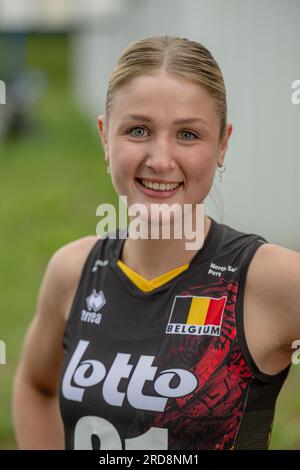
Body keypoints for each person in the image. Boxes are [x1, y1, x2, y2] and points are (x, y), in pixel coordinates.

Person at [13, 35, 300, 451]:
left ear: (222, 144)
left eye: (187, 134)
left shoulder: (268, 279)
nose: (161, 159)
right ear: (104, 137)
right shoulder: (73, 270)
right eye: (138, 130)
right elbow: (36, 387)